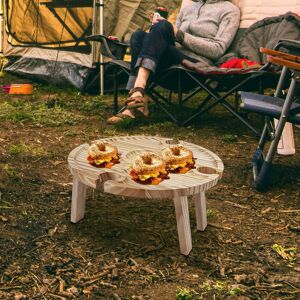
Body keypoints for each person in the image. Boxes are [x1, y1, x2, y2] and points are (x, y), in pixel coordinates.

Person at [107, 0, 241, 124]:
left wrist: (179, 34)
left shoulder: (230, 10)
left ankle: (135, 96)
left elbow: (217, 50)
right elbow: (170, 36)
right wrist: (158, 32)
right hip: (170, 61)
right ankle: (139, 99)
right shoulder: (189, 7)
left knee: (164, 26)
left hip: (195, 66)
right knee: (138, 35)